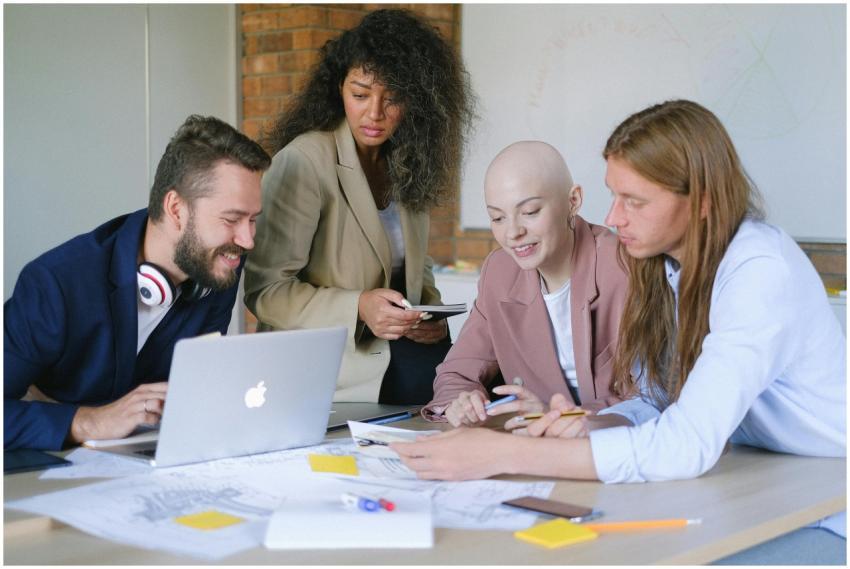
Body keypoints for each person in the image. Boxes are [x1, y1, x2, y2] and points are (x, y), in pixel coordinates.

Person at [392, 101, 846, 544]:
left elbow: (686, 443)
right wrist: (582, 425)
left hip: (827, 488)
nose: (612, 217)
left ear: (703, 202)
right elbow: (657, 398)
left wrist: (509, 453)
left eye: (634, 201)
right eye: (614, 196)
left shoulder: (760, 272)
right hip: (765, 469)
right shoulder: (664, 265)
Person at [244, 9, 475, 404]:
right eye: (361, 94)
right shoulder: (305, 160)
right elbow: (266, 291)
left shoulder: (409, 161)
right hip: (331, 360)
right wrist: (359, 307)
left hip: (399, 349)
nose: (375, 113)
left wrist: (432, 317)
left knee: (484, 378)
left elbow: (416, 271)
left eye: (393, 98)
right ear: (340, 88)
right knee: (458, 394)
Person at [5, 115, 271, 450]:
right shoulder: (56, 283)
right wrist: (88, 421)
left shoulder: (220, 262)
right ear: (176, 209)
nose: (247, 240)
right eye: (232, 219)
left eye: (253, 220)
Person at [421, 141, 627, 426]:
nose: (513, 233)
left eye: (530, 212)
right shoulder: (500, 272)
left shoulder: (623, 265)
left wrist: (559, 416)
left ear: (573, 201)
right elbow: (457, 372)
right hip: (535, 442)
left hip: (614, 442)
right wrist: (462, 403)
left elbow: (656, 396)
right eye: (497, 217)